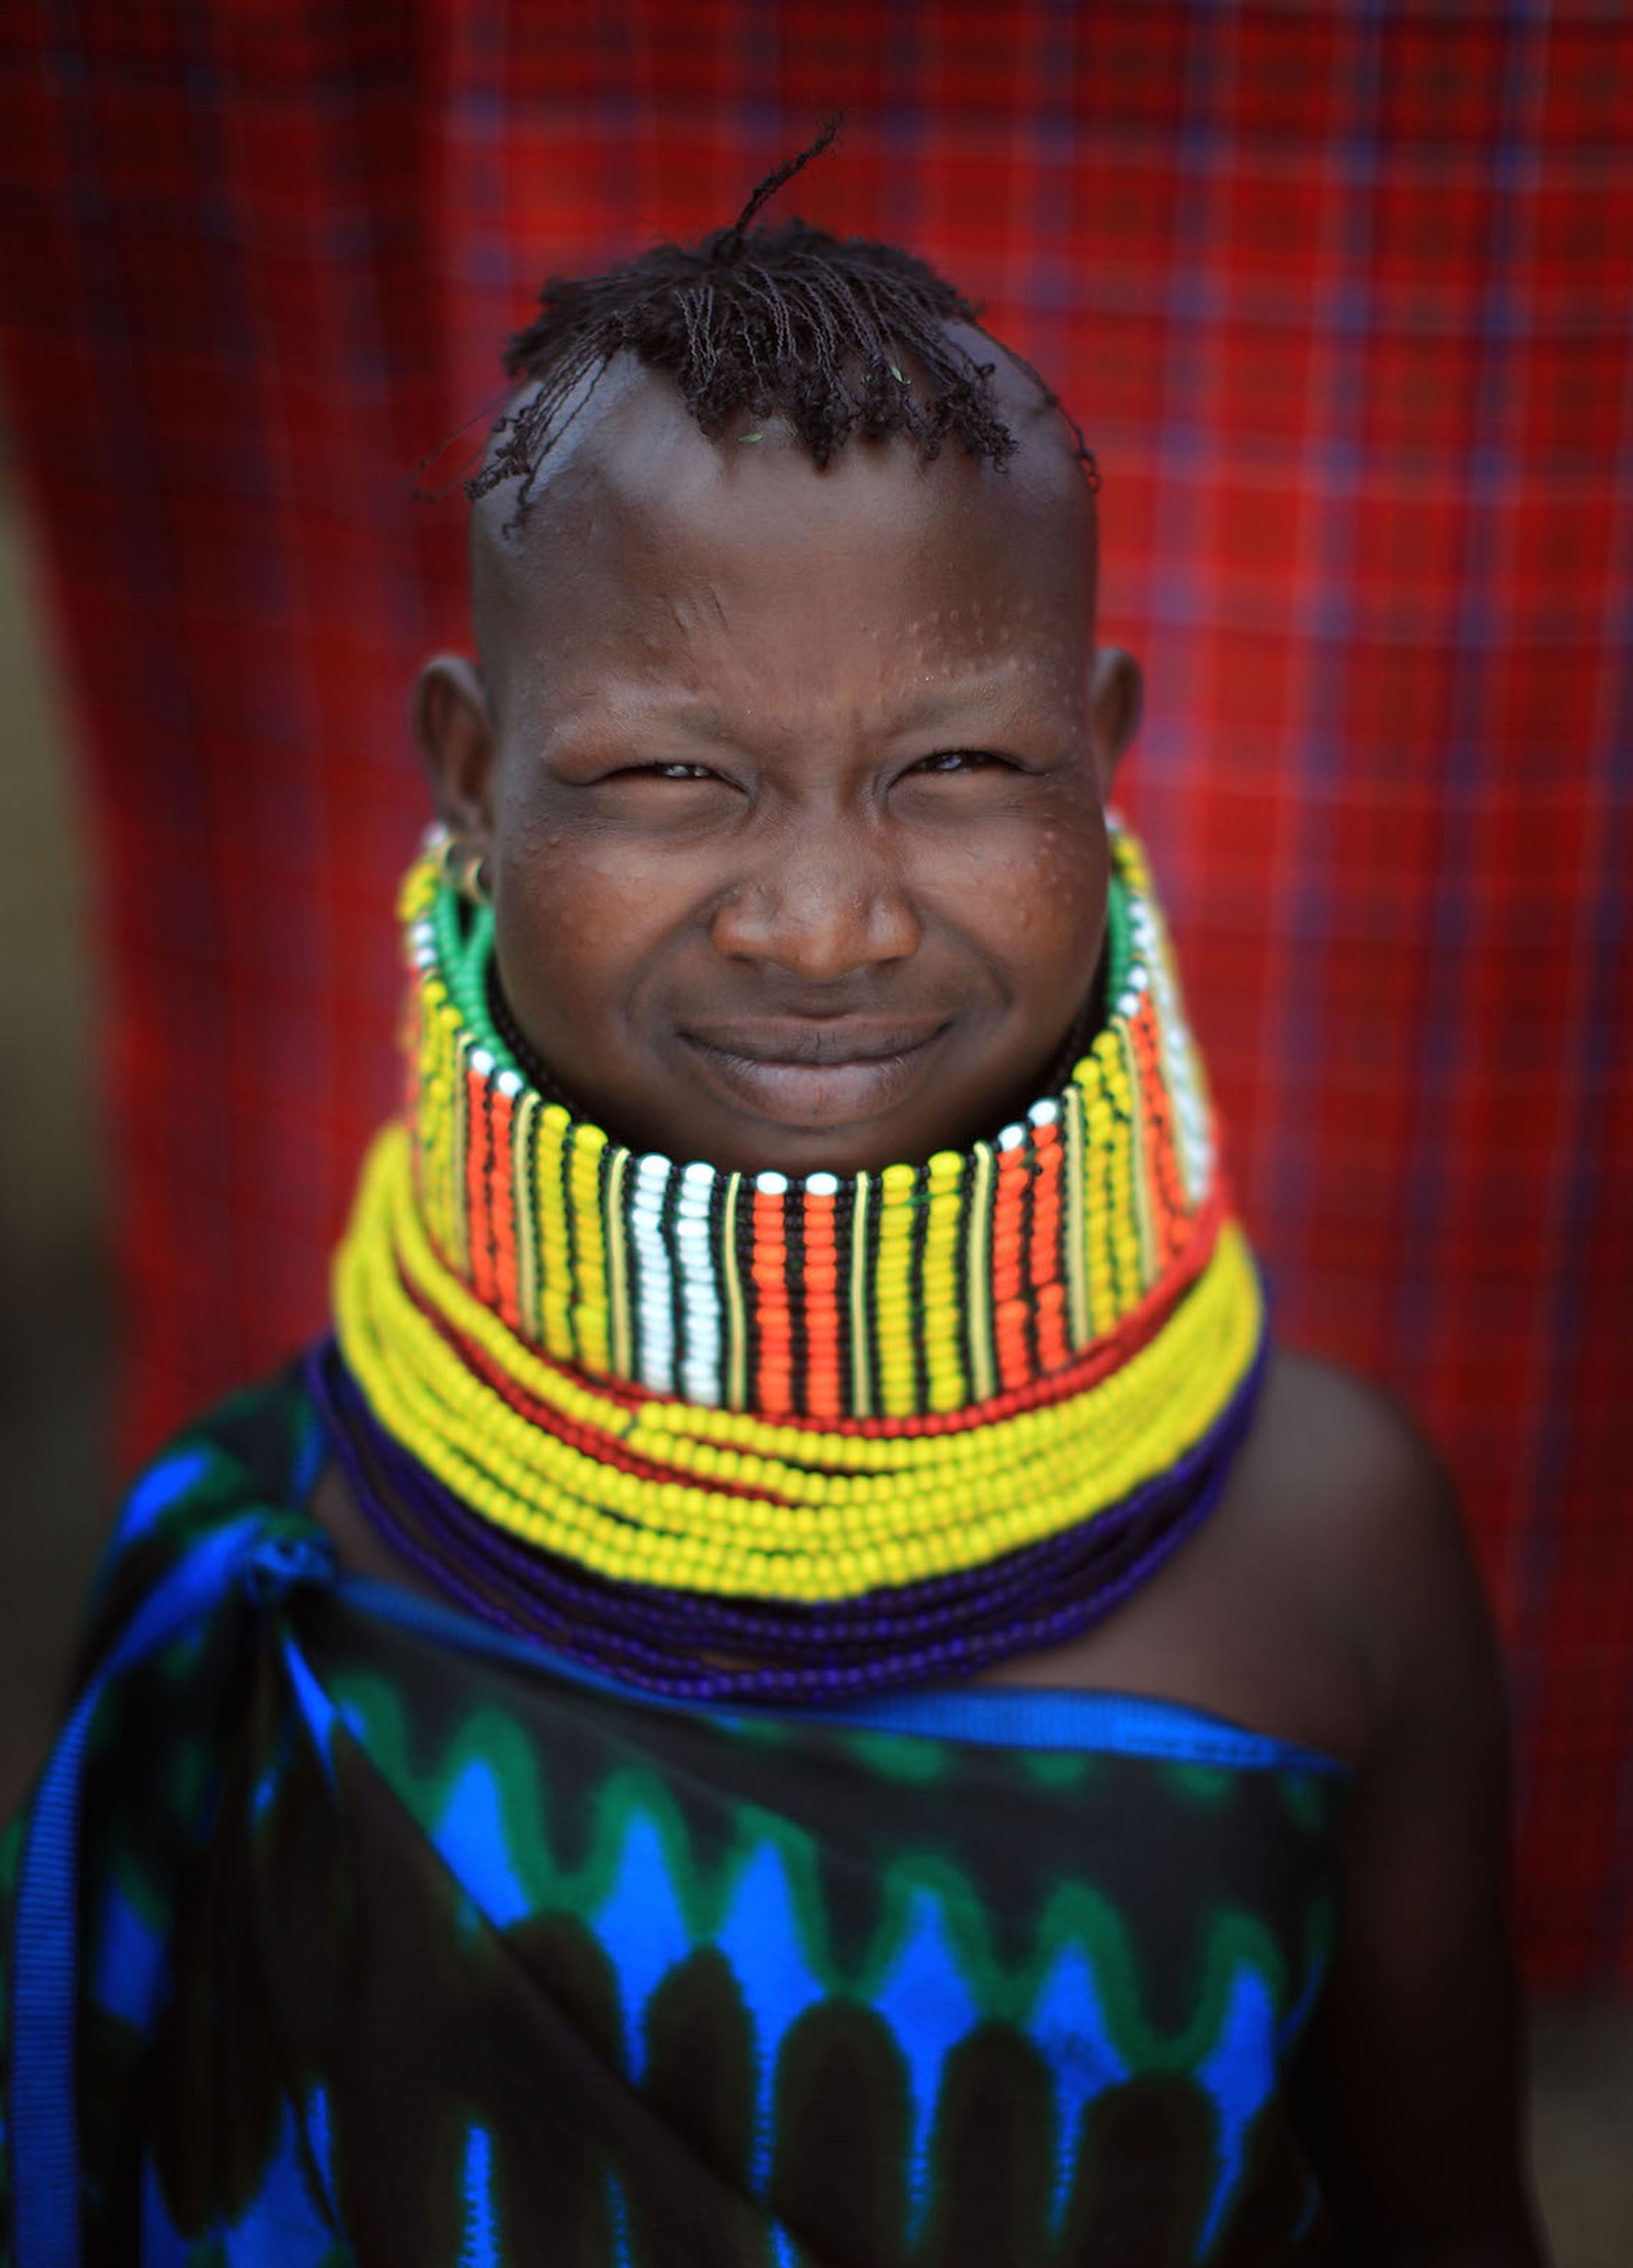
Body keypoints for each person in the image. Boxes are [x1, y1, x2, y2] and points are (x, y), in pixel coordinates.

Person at [2, 140, 1545, 2266]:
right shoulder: (274, 1550)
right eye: (669, 778)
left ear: (1103, 756)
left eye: (958, 769)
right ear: (469, 778)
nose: (822, 923)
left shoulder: (1330, 1536)